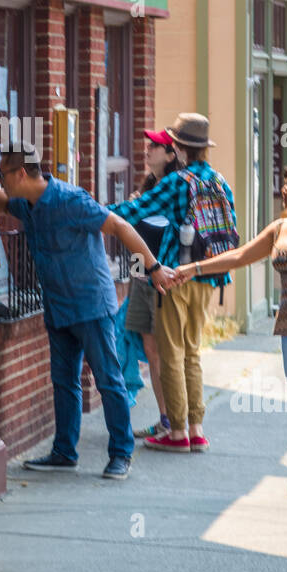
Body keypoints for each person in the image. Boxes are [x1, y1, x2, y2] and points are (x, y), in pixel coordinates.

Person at [172, 158, 287, 495]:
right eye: (284, 184)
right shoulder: (279, 228)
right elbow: (240, 256)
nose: (284, 191)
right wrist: (194, 268)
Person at [0, 142, 175, 480]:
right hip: (58, 307)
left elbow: (120, 226)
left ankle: (121, 453)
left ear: (21, 173)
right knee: (64, 382)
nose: (0, 180)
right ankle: (65, 452)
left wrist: (153, 267)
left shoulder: (70, 200)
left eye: (2, 173)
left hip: (91, 304)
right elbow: (3, 201)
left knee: (108, 380)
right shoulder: (29, 204)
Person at [110, 113, 236, 452]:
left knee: (171, 353)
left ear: (178, 148)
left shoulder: (177, 182)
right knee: (192, 352)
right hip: (208, 274)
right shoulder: (218, 180)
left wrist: (92, 210)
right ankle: (196, 428)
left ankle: (177, 432)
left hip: (174, 276)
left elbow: (133, 212)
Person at [125, 129, 177, 439]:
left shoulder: (175, 190)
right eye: (148, 144)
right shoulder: (146, 189)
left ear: (171, 155)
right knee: (150, 348)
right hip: (142, 277)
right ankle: (164, 418)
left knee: (168, 349)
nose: (148, 149)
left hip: (167, 279)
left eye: (156, 146)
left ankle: (177, 418)